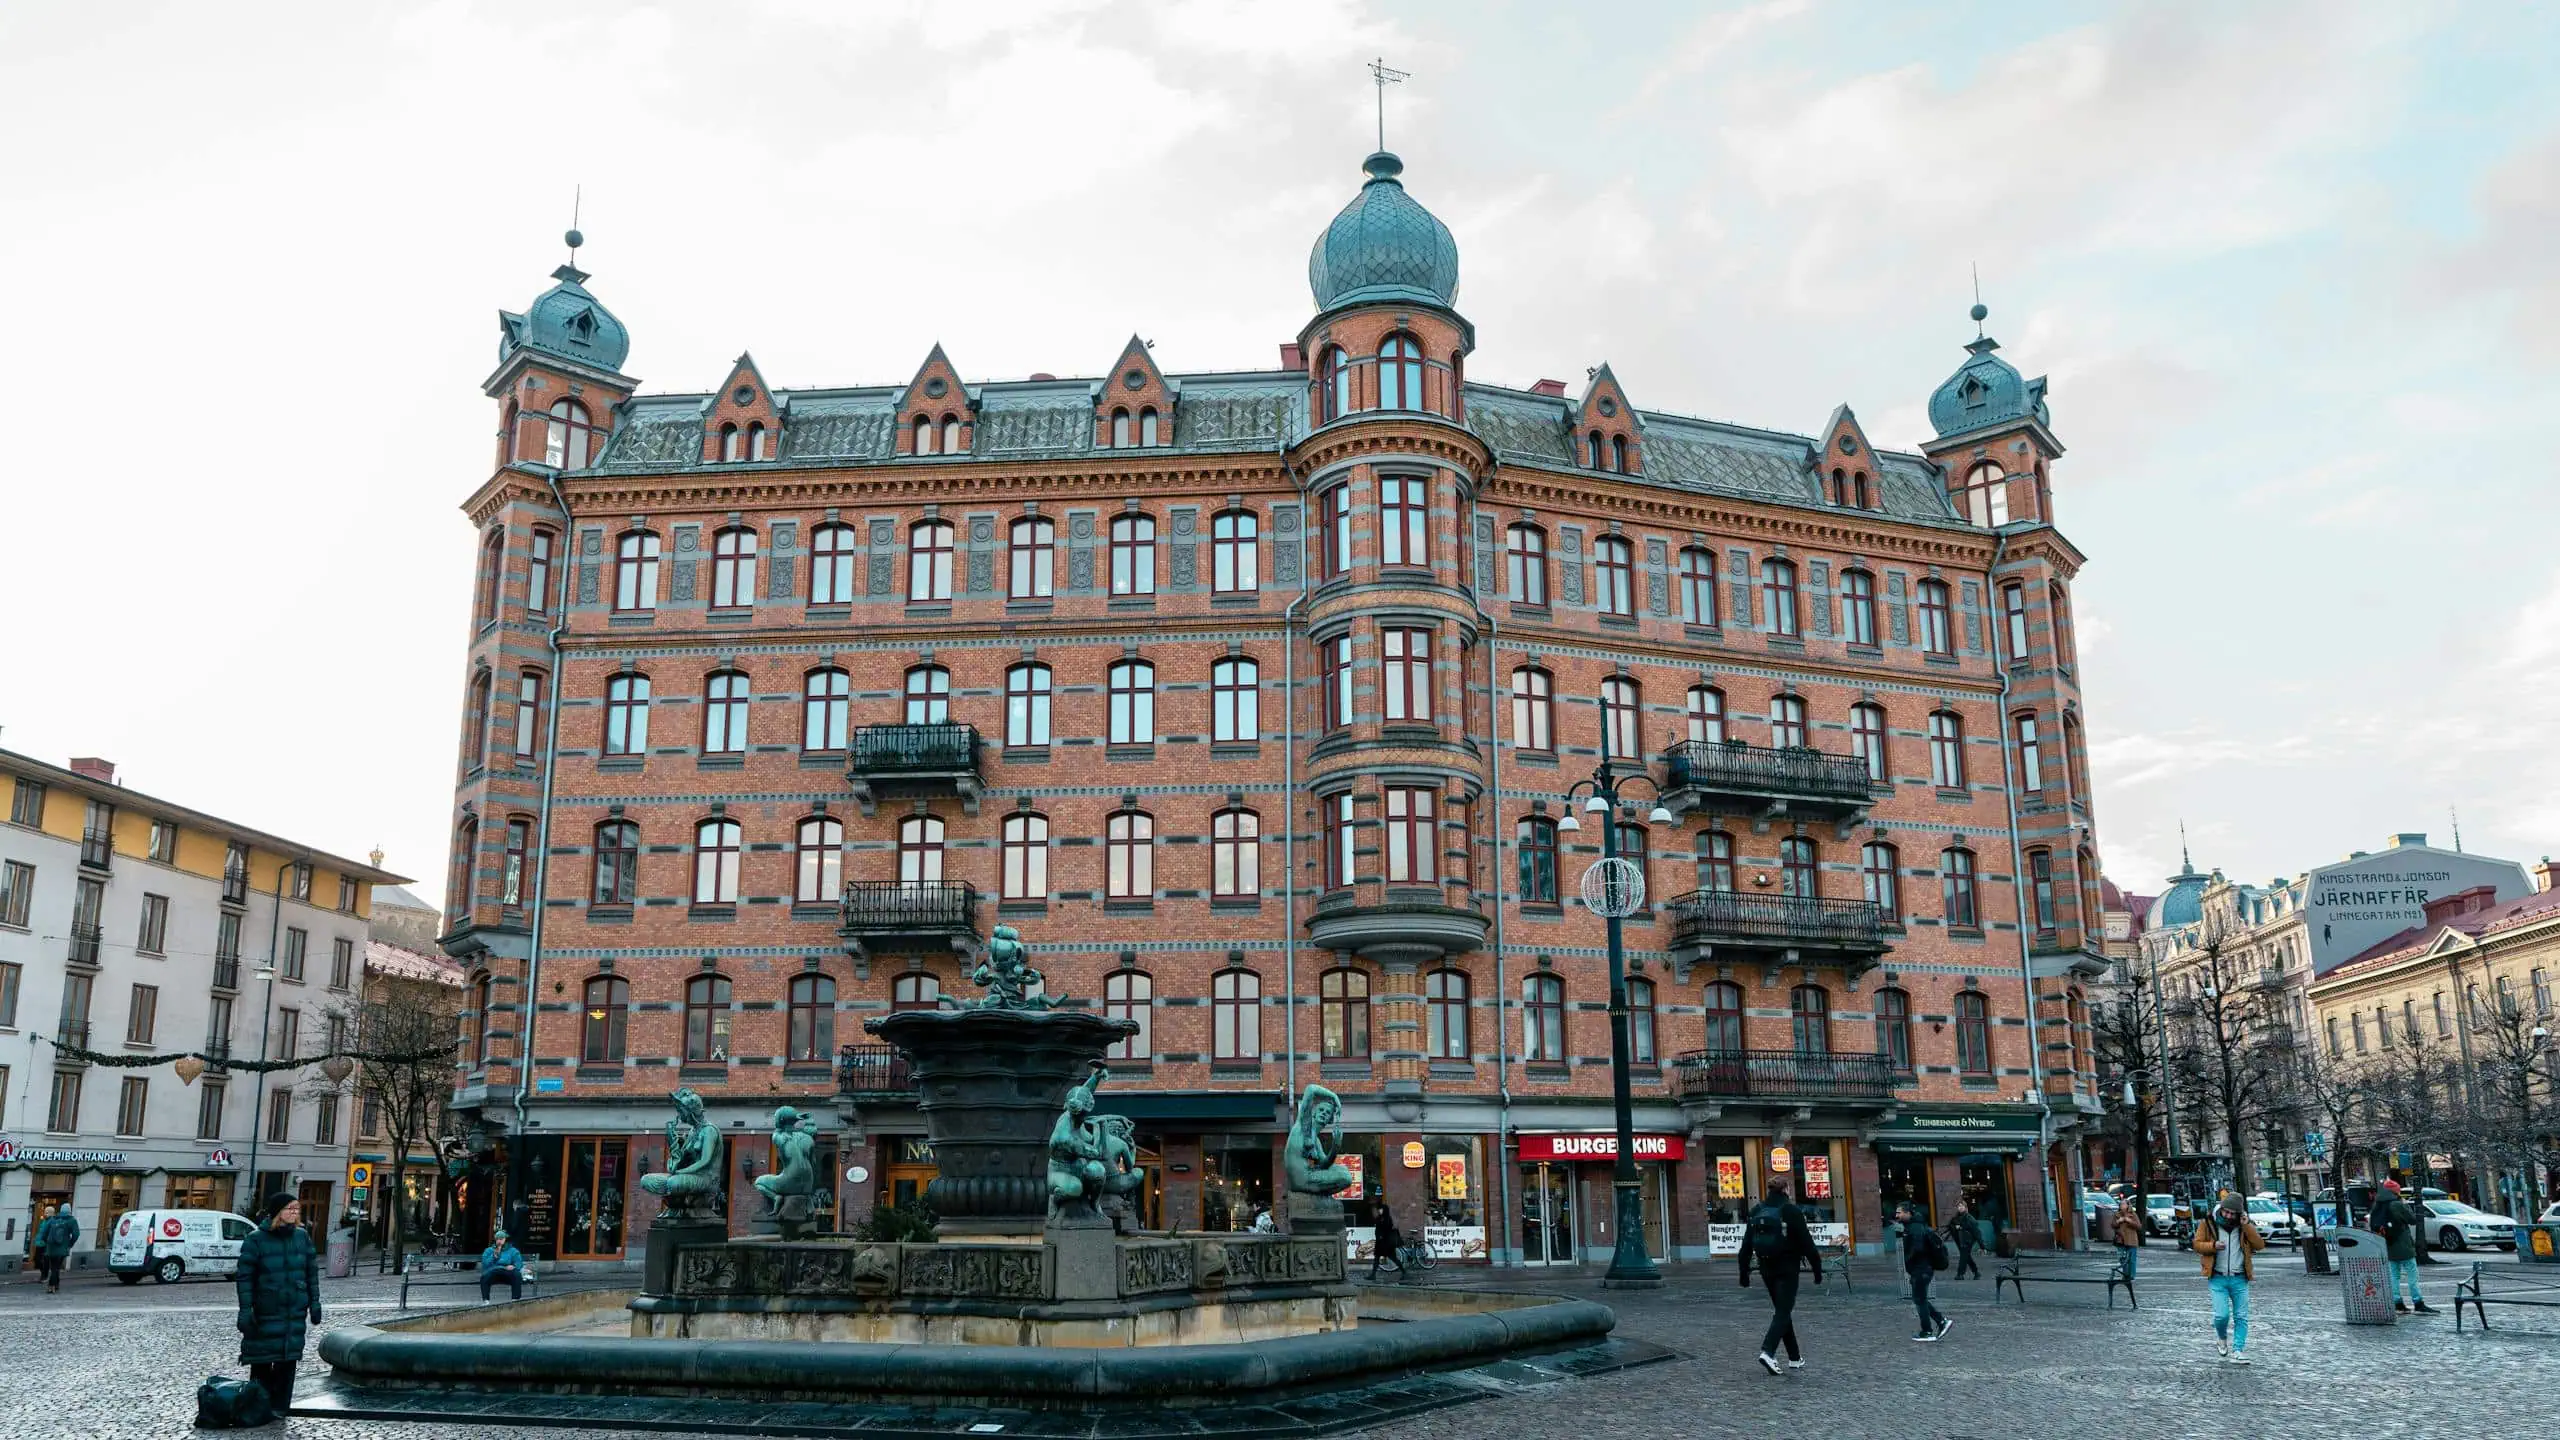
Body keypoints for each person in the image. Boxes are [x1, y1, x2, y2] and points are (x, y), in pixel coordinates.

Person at [235, 1193, 322, 1415]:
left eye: (297, 1209)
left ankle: (279, 1409)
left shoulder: (302, 1237)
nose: (294, 1213)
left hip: (294, 1310)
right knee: (262, 1359)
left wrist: (314, 1302)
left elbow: (311, 1272)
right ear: (277, 1212)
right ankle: (260, 1407)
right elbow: (245, 1277)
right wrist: (245, 1309)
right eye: (289, 1208)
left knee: (288, 1360)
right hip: (266, 1309)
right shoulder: (256, 1239)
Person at [1739, 1180, 1822, 1375]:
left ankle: (1794, 1358)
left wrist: (1744, 1272)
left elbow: (1746, 1245)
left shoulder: (1757, 1210)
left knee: (1782, 1311)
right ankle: (1768, 1352)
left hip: (1766, 1267)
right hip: (1788, 1267)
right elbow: (1807, 1243)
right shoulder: (1790, 1211)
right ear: (1786, 1189)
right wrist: (1817, 1269)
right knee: (1783, 1311)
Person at [2192, 1192, 2266, 1365]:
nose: (2229, 1216)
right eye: (2226, 1212)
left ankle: (2238, 1350)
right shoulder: (2208, 1223)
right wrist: (2212, 1246)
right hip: (2217, 1278)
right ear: (2222, 1209)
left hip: (2240, 1278)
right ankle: (2221, 1337)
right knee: (2221, 1315)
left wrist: (2247, 1226)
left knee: (2241, 1317)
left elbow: (2259, 1245)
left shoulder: (2243, 1226)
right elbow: (2196, 1244)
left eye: (2233, 1213)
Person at [2372, 1181, 2436, 1315]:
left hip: (2388, 1245)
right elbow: (2412, 1219)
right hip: (2403, 1244)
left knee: (2394, 1276)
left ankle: (2398, 1303)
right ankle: (2418, 1302)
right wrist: (2406, 1205)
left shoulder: (2378, 1205)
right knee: (2412, 1274)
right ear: (2395, 1191)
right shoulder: (2396, 1204)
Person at [1895, 1202, 1951, 1341]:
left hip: (1921, 1269)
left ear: (1908, 1213)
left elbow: (1917, 1248)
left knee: (1920, 1299)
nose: (1897, 1215)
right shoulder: (1913, 1226)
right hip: (1921, 1268)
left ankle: (1928, 1331)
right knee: (1920, 1299)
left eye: (1899, 1212)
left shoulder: (1915, 1228)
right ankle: (1941, 1321)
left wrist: (1909, 1260)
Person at [32, 1203, 80, 1294]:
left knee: (54, 1266)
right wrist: (70, 1243)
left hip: (51, 1247)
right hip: (62, 1248)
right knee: (56, 1268)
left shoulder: (53, 1219)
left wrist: (46, 1242)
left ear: (61, 1210)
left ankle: (56, 1284)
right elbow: (76, 1234)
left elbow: (44, 1232)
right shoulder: (71, 1220)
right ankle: (51, 1286)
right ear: (69, 1211)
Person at [480, 1229, 527, 1302]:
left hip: (507, 1272)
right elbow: (485, 1264)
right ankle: (486, 1300)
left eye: (501, 1239)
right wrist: (493, 1256)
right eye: (497, 1239)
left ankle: (515, 1300)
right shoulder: (489, 1250)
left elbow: (519, 1263)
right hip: (493, 1271)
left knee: (517, 1275)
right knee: (484, 1277)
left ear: (505, 1239)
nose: (499, 1241)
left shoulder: (513, 1251)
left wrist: (514, 1266)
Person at [1945, 1200, 1982, 1279]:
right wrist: (1955, 1227)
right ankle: (1976, 1272)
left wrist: (1982, 1245)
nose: (1960, 1208)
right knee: (1966, 1256)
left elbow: (1976, 1232)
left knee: (1963, 1257)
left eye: (1962, 1206)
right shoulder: (1956, 1218)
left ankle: (1960, 1274)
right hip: (1960, 1240)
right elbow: (1950, 1226)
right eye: (1958, 1206)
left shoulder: (1969, 1218)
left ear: (1965, 1207)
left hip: (1968, 1241)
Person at [1368, 1205, 1407, 1281]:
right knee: (1377, 1258)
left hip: (1386, 1243)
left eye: (1381, 1209)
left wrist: (1382, 1235)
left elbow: (1387, 1229)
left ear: (1385, 1210)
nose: (1379, 1211)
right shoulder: (1380, 1218)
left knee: (1394, 1258)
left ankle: (1404, 1271)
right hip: (1380, 1243)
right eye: (1379, 1209)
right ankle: (1373, 1274)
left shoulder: (1387, 1219)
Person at [2109, 1200, 2145, 1280]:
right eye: (2120, 1204)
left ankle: (2131, 1275)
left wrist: (2130, 1221)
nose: (2121, 1206)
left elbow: (2139, 1226)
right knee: (2122, 1259)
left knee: (2132, 1259)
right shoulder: (2117, 1214)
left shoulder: (2133, 1214)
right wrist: (2118, 1221)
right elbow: (2113, 1225)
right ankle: (2125, 1275)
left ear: (2128, 1205)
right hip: (2120, 1240)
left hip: (2131, 1240)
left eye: (2123, 1204)